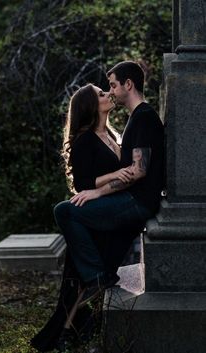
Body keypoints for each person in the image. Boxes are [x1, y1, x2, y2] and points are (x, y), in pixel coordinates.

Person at [31, 83, 133, 352]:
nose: (107, 94)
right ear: (90, 105)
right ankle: (64, 333)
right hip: (93, 215)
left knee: (82, 275)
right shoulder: (84, 139)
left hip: (111, 212)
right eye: (101, 93)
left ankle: (74, 328)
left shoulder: (112, 134)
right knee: (78, 277)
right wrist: (112, 176)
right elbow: (82, 184)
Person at [54, 61, 164, 306]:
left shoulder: (143, 117)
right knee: (69, 212)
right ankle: (94, 282)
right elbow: (125, 171)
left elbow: (138, 171)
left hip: (138, 201)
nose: (110, 91)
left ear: (128, 84)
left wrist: (98, 192)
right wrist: (104, 184)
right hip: (131, 199)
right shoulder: (135, 119)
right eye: (105, 90)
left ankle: (96, 276)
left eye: (112, 86)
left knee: (64, 211)